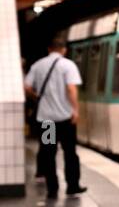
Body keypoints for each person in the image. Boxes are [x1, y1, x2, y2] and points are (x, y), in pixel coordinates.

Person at [23, 36, 86, 198]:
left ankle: (52, 189)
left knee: (48, 153)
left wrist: (36, 96)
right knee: (70, 152)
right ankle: (72, 185)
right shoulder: (68, 65)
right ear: (64, 50)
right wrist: (76, 110)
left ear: (49, 49)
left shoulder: (38, 65)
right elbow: (71, 89)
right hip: (65, 119)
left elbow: (26, 86)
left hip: (47, 120)